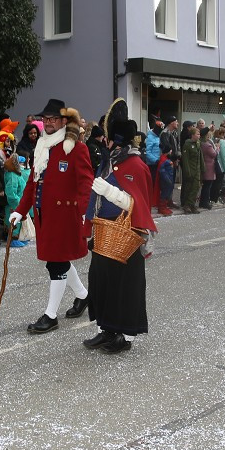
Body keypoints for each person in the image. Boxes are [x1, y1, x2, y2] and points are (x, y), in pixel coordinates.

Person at [8, 99, 93, 333]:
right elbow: (32, 184)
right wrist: (20, 211)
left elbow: (86, 183)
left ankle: (50, 315)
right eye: (45, 119)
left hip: (66, 215)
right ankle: (84, 296)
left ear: (64, 121)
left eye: (53, 119)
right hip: (44, 215)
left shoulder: (76, 148)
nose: (48, 123)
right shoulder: (42, 146)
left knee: (56, 264)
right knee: (60, 259)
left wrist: (85, 212)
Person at [83, 110, 156, 354]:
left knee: (126, 285)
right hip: (104, 231)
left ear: (118, 139)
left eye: (108, 138)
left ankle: (126, 335)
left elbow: (140, 203)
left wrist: (111, 193)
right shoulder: (108, 161)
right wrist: (87, 225)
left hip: (127, 232)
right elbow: (93, 196)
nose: (104, 141)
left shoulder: (135, 164)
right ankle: (107, 328)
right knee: (101, 281)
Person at [4, 154, 29, 248]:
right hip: (14, 203)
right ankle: (12, 239)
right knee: (14, 222)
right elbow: (11, 191)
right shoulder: (12, 175)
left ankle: (16, 237)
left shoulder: (15, 174)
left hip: (18, 201)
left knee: (18, 221)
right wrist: (17, 202)